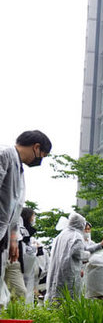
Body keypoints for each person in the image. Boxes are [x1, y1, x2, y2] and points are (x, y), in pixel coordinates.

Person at [0, 131, 51, 312]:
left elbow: (14, 210)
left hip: (4, 233)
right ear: (36, 147)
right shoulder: (4, 155)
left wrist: (13, 239)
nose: (39, 160)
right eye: (42, 155)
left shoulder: (19, 169)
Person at [46, 213, 91, 302]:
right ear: (81, 224)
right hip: (69, 271)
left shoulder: (62, 234)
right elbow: (78, 253)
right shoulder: (76, 236)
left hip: (57, 269)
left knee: (56, 295)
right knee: (69, 296)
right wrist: (89, 255)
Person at [18, 208, 43, 303]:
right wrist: (35, 247)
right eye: (33, 216)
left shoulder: (26, 231)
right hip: (22, 269)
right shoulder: (23, 231)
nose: (34, 219)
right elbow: (26, 251)